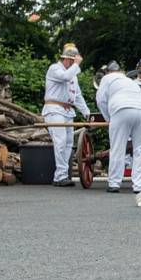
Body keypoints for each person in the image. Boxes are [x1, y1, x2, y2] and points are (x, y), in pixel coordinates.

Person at [95, 61, 141, 193]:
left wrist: (109, 119)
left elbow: (101, 100)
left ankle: (114, 183)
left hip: (121, 109)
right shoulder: (130, 81)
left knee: (117, 148)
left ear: (107, 72)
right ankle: (139, 185)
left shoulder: (106, 78)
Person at [42, 43, 91, 187]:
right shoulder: (55, 69)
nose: (71, 63)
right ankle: (61, 175)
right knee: (61, 141)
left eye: (73, 61)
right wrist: (76, 65)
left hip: (68, 111)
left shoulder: (72, 74)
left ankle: (61, 175)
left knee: (69, 142)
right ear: (65, 59)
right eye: (70, 61)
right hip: (54, 109)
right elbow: (65, 77)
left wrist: (87, 112)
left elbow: (77, 96)